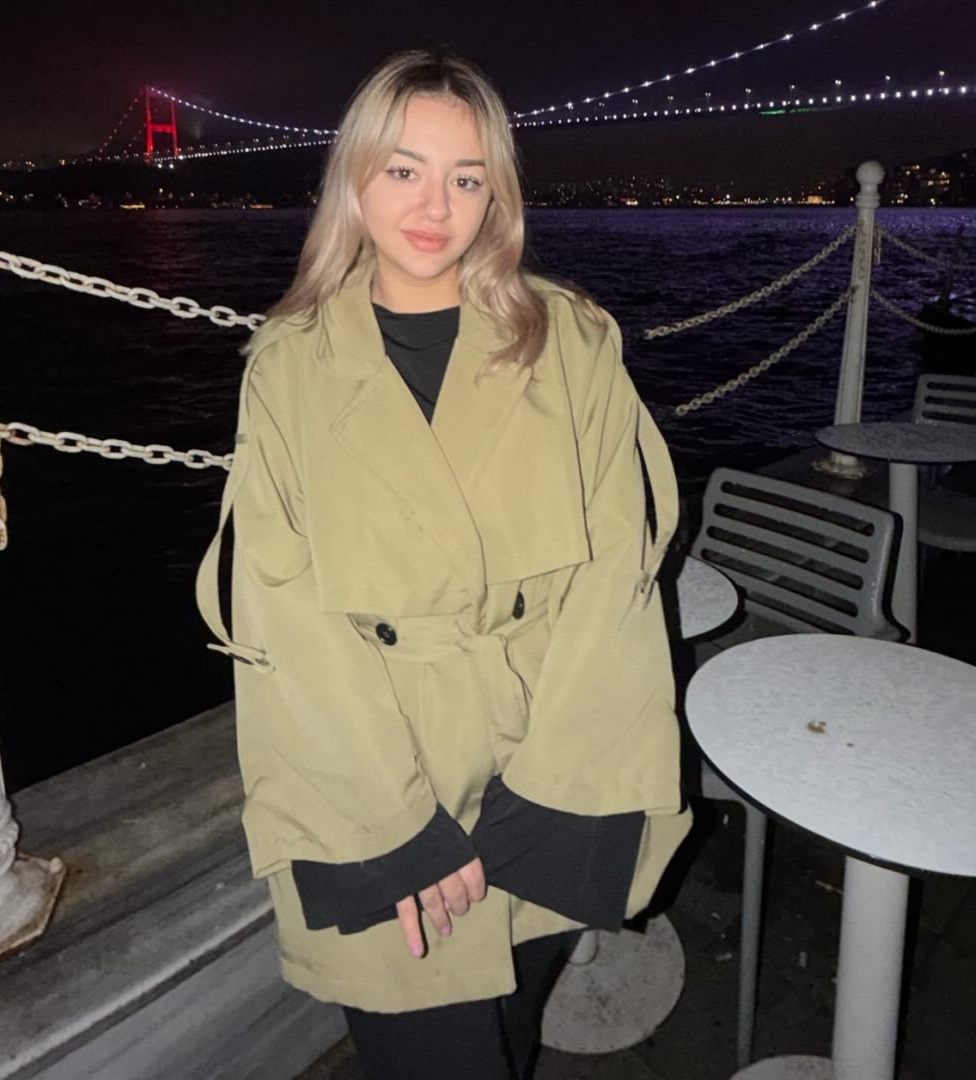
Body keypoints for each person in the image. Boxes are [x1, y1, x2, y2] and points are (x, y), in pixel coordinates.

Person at [196, 47, 691, 1080]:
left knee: (511, 1029)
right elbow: (284, 619)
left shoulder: (572, 341)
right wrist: (397, 830)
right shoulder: (289, 366)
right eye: (404, 170)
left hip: (551, 763)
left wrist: (549, 793)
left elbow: (615, 579)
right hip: (372, 781)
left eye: (467, 178)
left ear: (496, 194)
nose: (436, 207)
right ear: (354, 179)